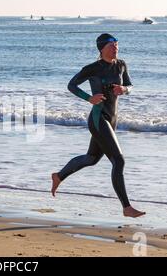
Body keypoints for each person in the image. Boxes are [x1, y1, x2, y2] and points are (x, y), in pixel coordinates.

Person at [51, 33, 146, 218]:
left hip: (112, 119)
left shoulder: (121, 65)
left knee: (91, 159)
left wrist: (123, 90)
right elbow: (71, 85)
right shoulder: (92, 68)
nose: (115, 48)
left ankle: (59, 176)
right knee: (119, 161)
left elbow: (130, 85)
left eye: (117, 44)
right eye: (111, 45)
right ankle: (126, 207)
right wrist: (89, 98)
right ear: (102, 48)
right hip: (98, 119)